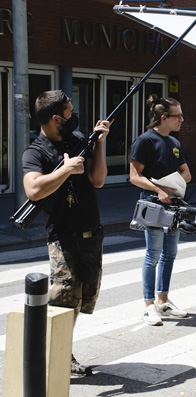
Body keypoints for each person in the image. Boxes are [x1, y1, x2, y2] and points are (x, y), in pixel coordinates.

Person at [22, 90, 111, 376]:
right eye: (70, 113)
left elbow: (97, 180)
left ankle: (60, 351)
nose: (74, 117)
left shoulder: (77, 141)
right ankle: (53, 357)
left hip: (92, 232)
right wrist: (66, 170)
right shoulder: (36, 151)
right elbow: (33, 189)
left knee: (81, 299)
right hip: (63, 236)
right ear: (56, 119)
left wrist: (99, 144)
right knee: (62, 301)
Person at [129, 95, 191, 326]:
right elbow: (135, 177)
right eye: (178, 116)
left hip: (172, 203)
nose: (182, 120)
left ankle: (163, 300)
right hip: (153, 202)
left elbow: (186, 172)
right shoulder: (145, 141)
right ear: (163, 118)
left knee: (170, 253)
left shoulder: (174, 143)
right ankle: (148, 305)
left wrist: (175, 184)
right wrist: (159, 188)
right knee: (153, 254)